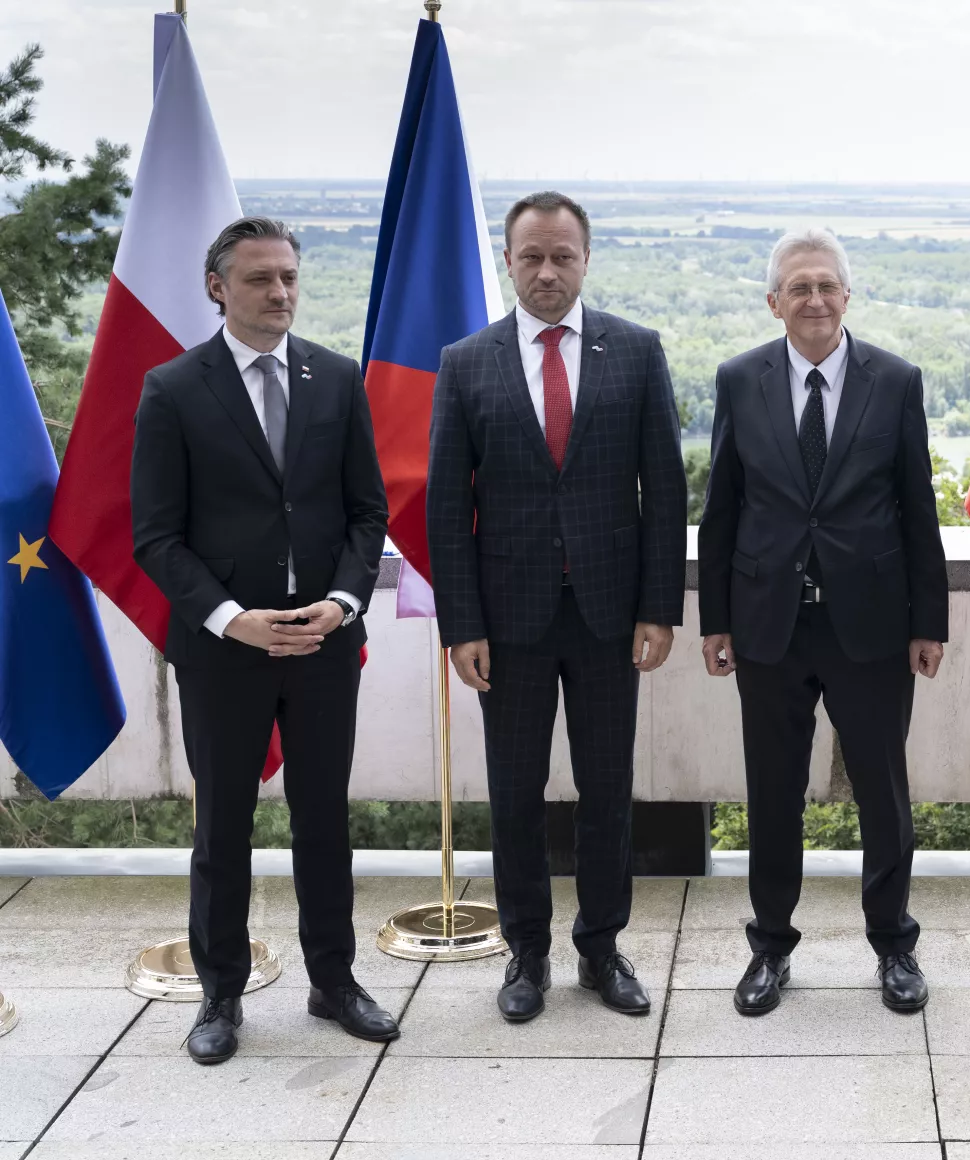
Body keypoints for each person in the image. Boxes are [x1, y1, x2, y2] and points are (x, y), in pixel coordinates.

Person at [131, 216, 395, 1064]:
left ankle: (335, 981)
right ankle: (219, 996)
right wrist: (231, 618)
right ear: (219, 287)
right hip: (223, 651)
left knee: (325, 820)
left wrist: (345, 601)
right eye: (259, 280)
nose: (279, 293)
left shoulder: (337, 378)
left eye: (287, 277)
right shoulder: (172, 389)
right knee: (225, 829)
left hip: (322, 645)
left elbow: (366, 513)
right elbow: (156, 538)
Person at [426, 191, 686, 1024]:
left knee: (609, 790)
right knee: (514, 794)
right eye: (531, 256)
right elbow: (444, 509)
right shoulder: (466, 361)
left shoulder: (636, 352)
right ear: (508, 260)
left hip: (613, 616)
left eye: (562, 256)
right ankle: (526, 955)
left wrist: (659, 608)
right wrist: (461, 624)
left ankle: (601, 949)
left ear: (585, 259)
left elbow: (665, 491)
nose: (547, 271)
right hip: (508, 622)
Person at [697, 228, 948, 1016]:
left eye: (827, 286)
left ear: (848, 296)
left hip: (870, 625)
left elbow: (917, 507)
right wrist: (715, 619)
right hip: (768, 624)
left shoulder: (896, 380)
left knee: (884, 792)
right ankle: (770, 948)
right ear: (774, 301)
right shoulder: (740, 379)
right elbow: (724, 508)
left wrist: (929, 621)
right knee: (772, 794)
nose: (814, 299)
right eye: (798, 287)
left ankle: (894, 946)